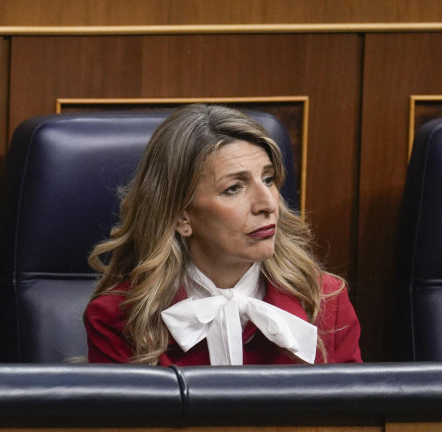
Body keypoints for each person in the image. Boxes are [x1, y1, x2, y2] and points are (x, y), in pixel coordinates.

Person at [84, 104, 360, 365]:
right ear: (181, 216)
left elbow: (353, 413)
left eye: (268, 179)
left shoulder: (326, 301)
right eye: (234, 188)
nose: (268, 204)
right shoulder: (118, 319)